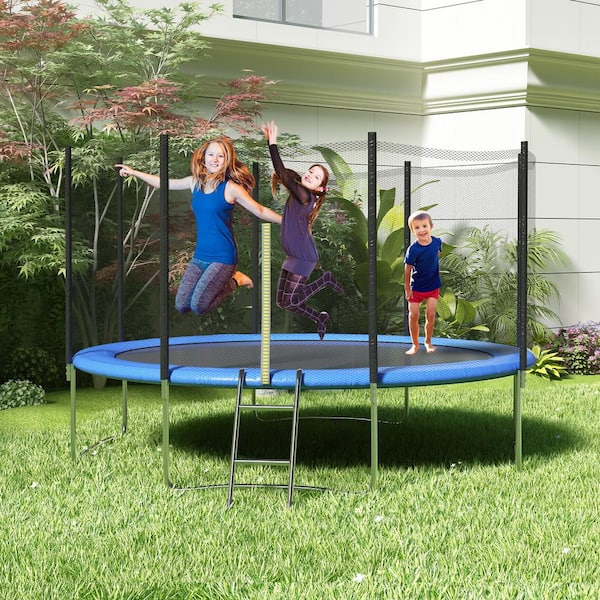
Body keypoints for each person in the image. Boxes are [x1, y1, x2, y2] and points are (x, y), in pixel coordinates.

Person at [115, 137, 281, 316]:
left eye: (221, 156)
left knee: (199, 306)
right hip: (200, 256)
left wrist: (285, 220)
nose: (215, 160)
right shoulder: (194, 183)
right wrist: (134, 173)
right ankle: (231, 280)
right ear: (203, 157)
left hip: (223, 258)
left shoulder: (231, 188)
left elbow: (259, 210)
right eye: (211, 155)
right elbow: (163, 183)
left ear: (227, 161)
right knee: (181, 305)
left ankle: (236, 279)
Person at [261, 120, 344, 340]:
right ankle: (319, 318)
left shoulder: (306, 195)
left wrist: (273, 143)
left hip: (304, 257)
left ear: (319, 188)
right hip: (293, 255)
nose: (309, 175)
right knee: (283, 302)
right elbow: (284, 174)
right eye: (309, 171)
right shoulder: (301, 192)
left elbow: (280, 170)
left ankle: (325, 279)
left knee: (289, 300)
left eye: (315, 176)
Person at [404, 210, 442, 355]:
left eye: (424, 226)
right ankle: (415, 344)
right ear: (413, 231)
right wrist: (407, 288)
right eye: (417, 227)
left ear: (431, 226)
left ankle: (428, 342)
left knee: (430, 314)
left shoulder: (437, 242)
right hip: (417, 287)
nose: (421, 230)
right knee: (413, 315)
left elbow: (437, 253)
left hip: (433, 286)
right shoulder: (413, 249)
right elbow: (407, 269)